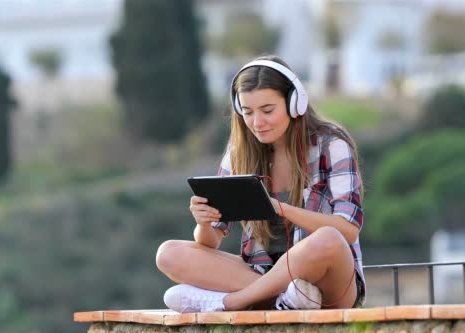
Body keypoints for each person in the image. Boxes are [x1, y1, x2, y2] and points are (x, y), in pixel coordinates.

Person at [155, 55, 365, 312]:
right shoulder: (239, 154)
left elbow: (348, 230)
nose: (257, 122)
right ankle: (284, 300)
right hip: (263, 276)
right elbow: (210, 242)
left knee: (328, 239)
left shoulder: (331, 145)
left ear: (294, 103)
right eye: (247, 112)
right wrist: (204, 223)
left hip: (329, 286)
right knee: (168, 254)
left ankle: (230, 303)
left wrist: (277, 206)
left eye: (267, 111)